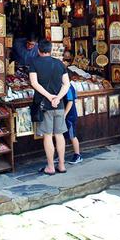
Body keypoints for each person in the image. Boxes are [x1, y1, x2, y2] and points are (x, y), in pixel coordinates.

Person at [29, 40, 70, 175]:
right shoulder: (59, 63)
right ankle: (62, 165)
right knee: (59, 135)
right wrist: (57, 98)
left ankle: (51, 167)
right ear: (51, 50)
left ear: (38, 50)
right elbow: (66, 84)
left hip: (44, 105)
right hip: (59, 105)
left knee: (47, 135)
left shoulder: (34, 63)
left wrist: (49, 96)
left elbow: (34, 83)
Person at [63, 83, 83, 164]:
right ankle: (61, 156)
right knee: (61, 135)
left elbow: (70, 101)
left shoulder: (67, 86)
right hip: (69, 114)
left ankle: (78, 155)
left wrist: (65, 114)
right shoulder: (69, 85)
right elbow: (75, 99)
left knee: (72, 135)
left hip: (69, 116)